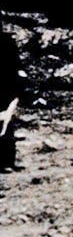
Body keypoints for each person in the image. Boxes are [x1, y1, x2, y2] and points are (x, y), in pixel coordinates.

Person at [1, 27, 20, 172]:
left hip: (6, 85)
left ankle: (6, 161)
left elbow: (15, 66)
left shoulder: (7, 42)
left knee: (6, 121)